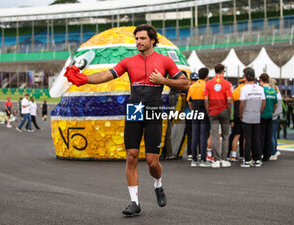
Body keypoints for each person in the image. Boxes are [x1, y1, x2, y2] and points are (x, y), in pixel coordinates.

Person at [63, 24, 189, 216]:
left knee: (152, 161)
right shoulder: (128, 61)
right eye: (136, 38)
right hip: (135, 109)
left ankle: (158, 184)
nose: (138, 42)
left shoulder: (164, 61)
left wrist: (164, 81)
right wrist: (83, 79)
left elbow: (185, 83)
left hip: (154, 109)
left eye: (142, 38)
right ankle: (134, 202)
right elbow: (106, 75)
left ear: (152, 40)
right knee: (131, 156)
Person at [204, 63, 232, 168]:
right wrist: (230, 111)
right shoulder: (227, 84)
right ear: (223, 71)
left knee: (215, 136)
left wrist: (208, 110)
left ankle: (216, 160)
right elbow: (229, 100)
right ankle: (224, 160)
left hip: (213, 110)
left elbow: (206, 99)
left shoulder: (208, 83)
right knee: (225, 136)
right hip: (224, 110)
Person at [239, 68, 266, 168]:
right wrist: (259, 112)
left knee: (248, 138)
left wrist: (241, 114)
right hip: (256, 116)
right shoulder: (260, 88)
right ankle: (257, 160)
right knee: (256, 138)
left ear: (245, 77)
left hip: (247, 115)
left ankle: (247, 160)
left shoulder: (244, 88)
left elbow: (242, 103)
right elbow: (264, 102)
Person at [187, 67, 211, 167]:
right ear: (207, 76)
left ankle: (194, 159)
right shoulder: (207, 85)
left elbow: (189, 101)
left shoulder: (192, 86)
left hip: (195, 110)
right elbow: (208, 100)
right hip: (204, 111)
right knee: (203, 136)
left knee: (194, 136)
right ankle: (203, 159)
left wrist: (192, 110)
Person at [259, 73, 277, 162]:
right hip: (270, 115)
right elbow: (276, 103)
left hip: (261, 115)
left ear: (261, 80)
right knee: (268, 135)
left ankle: (260, 153)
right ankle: (267, 154)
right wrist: (273, 111)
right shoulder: (273, 91)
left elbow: (261, 102)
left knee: (261, 136)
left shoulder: (262, 90)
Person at [229, 78, 245, 162]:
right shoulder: (246, 90)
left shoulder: (235, 91)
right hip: (245, 115)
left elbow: (231, 106)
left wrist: (231, 119)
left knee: (236, 135)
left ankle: (233, 155)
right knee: (246, 136)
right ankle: (244, 155)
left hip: (236, 115)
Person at [185, 72, 199, 161]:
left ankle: (190, 153)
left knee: (190, 134)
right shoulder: (199, 87)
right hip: (198, 113)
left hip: (188, 113)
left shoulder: (187, 87)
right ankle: (201, 152)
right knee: (200, 134)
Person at [270, 79, 282, 160]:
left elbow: (274, 105)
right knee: (274, 135)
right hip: (278, 116)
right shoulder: (278, 93)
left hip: (274, 116)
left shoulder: (274, 94)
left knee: (272, 135)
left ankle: (273, 152)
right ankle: (275, 150)